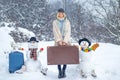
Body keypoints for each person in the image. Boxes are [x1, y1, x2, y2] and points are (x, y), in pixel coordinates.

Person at [52, 8, 71, 78]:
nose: (60, 14)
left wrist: (65, 41)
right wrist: (59, 40)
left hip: (66, 41)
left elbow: (68, 32)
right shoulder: (54, 22)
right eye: (59, 13)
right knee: (58, 57)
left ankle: (64, 70)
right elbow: (55, 31)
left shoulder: (67, 22)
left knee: (65, 57)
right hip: (58, 41)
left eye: (62, 13)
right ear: (58, 13)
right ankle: (59, 72)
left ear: (64, 13)